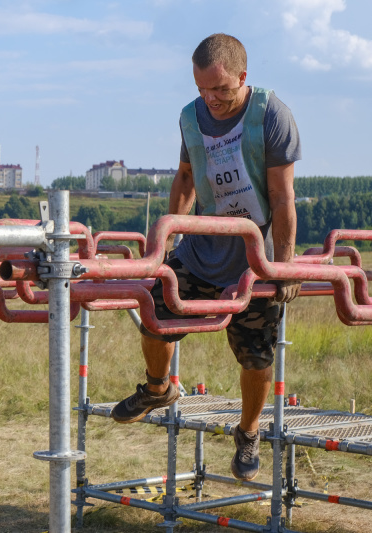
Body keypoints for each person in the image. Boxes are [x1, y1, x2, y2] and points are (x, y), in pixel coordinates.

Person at [110, 34, 301, 481]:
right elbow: (186, 177)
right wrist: (165, 245)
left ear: (242, 77)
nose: (211, 99)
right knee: (154, 308)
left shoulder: (272, 115)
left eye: (221, 90)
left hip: (255, 259)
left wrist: (284, 265)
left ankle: (249, 432)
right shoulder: (190, 118)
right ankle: (159, 388)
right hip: (200, 249)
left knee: (255, 355)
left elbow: (281, 194)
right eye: (202, 90)